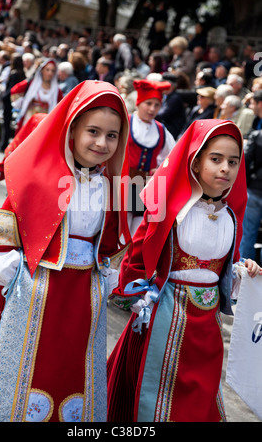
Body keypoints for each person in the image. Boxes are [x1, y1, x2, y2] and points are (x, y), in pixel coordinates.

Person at [0, 80, 131, 422]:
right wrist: (11, 268)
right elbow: (8, 225)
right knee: (27, 369)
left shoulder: (115, 187)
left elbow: (111, 243)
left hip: (84, 297)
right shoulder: (41, 176)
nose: (102, 143)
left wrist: (111, 275)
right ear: (72, 129)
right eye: (93, 132)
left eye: (112, 136)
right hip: (36, 288)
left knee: (71, 369)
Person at [107, 118, 262, 422]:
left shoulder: (231, 217)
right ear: (195, 161)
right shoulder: (172, 211)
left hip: (206, 328)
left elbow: (223, 273)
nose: (225, 168)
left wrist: (245, 272)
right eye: (215, 159)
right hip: (162, 318)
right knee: (154, 396)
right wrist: (134, 295)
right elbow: (138, 257)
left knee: (198, 395)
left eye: (233, 161)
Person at [127, 79, 176, 236]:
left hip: (144, 188)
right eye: (148, 103)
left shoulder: (161, 130)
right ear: (139, 103)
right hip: (120, 183)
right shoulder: (126, 123)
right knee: (119, 227)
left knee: (137, 230)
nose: (152, 109)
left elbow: (172, 157)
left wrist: (160, 170)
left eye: (157, 105)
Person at [11, 58, 63, 133]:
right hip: (29, 118)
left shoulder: (57, 90)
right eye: (47, 70)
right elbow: (15, 90)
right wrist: (23, 102)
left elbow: (60, 106)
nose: (50, 73)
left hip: (44, 121)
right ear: (42, 70)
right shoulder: (32, 84)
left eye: (52, 71)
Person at [239, 128, 262, 261]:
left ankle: (245, 272)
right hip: (253, 190)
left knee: (248, 233)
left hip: (253, 190)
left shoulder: (257, 135)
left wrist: (247, 183)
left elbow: (245, 161)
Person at [155, 72, 186, 139]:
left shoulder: (174, 98)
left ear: (169, 85)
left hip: (173, 131)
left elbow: (162, 115)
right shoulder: (165, 96)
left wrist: (151, 114)